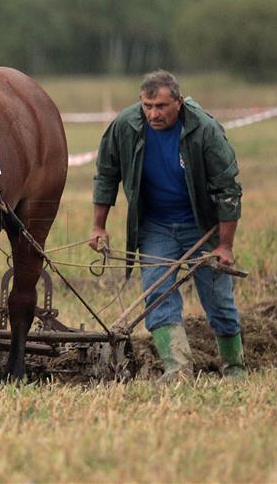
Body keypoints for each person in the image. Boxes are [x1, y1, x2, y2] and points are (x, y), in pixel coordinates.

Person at [89, 69, 245, 382]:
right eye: (147, 106)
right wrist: (98, 226)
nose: (153, 113)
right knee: (158, 295)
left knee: (219, 302)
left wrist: (225, 245)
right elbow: (107, 173)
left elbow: (228, 189)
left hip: (202, 226)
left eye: (161, 106)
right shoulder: (125, 126)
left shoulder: (204, 130)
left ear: (179, 102)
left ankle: (235, 367)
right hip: (156, 225)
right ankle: (178, 369)